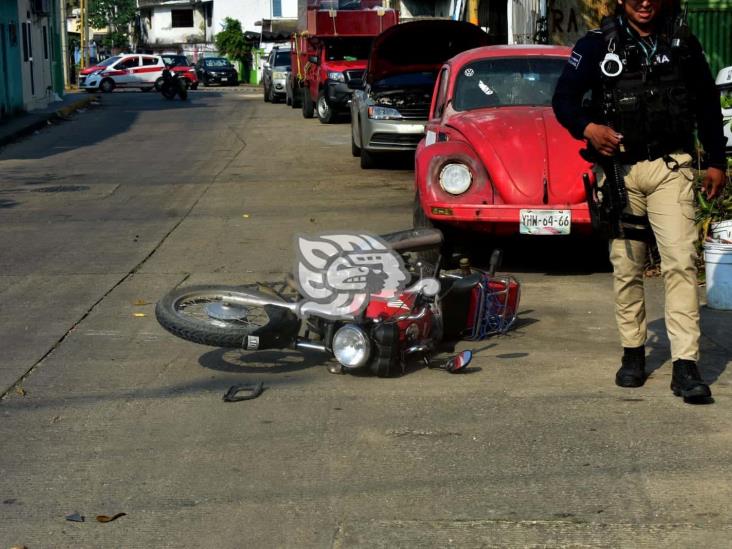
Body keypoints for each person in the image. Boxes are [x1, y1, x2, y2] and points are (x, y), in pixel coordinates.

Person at [552, 0, 727, 402]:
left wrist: (716, 160)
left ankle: (685, 365)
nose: (644, 1)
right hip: (621, 174)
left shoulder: (682, 42)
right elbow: (563, 99)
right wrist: (588, 128)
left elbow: (706, 104)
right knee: (627, 265)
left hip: (671, 168)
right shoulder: (597, 45)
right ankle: (633, 352)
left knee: (680, 261)